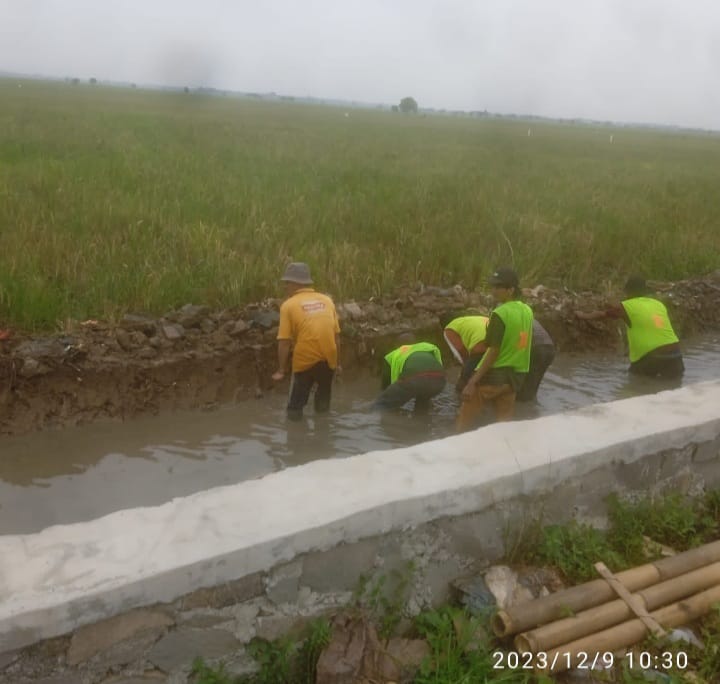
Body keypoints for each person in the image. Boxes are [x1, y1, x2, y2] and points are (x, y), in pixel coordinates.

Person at [457, 267, 533, 430]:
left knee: (465, 418)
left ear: (511, 290)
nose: (493, 291)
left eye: (498, 287)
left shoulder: (500, 314)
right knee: (504, 425)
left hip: (495, 377)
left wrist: (472, 381)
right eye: (493, 286)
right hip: (515, 378)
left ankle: (457, 447)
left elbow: (493, 350)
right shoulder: (527, 310)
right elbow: (522, 342)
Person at [575, 275, 683, 378]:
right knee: (672, 391)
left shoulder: (627, 306)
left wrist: (582, 315)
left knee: (634, 385)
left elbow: (602, 315)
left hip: (651, 357)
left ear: (628, 291)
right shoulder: (658, 304)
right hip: (675, 356)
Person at [272, 262, 341, 420]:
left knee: (294, 408)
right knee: (323, 405)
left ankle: (296, 440)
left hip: (305, 359)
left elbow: (284, 342)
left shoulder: (288, 306)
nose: (285, 286)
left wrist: (281, 370)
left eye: (287, 282)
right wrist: (338, 364)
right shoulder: (327, 300)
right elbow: (336, 337)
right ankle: (323, 438)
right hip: (329, 358)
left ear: (296, 283)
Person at [373, 334, 446, 412]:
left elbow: (386, 385)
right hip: (439, 381)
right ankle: (422, 421)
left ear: (398, 346)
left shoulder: (393, 355)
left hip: (414, 380)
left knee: (382, 403)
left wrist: (386, 396)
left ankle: (374, 418)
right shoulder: (427, 348)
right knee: (422, 402)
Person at [440, 313, 490, 393]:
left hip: (480, 343)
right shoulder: (471, 319)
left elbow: (460, 351)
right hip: (501, 342)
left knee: (463, 383)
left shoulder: (449, 329)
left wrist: (464, 371)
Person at [516, 319, 555, 402]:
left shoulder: (517, 322)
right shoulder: (528, 318)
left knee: (526, 386)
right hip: (550, 349)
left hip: (537, 349)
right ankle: (531, 404)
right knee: (534, 383)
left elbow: (521, 345)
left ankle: (525, 409)